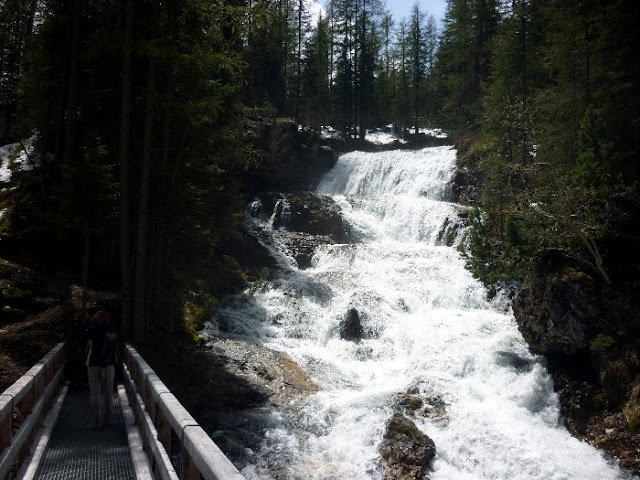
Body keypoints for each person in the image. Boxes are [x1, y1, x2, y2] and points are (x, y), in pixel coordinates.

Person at [84, 309, 117, 429]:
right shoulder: (113, 329)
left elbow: (84, 336)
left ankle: (96, 421)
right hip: (109, 365)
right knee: (108, 393)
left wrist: (92, 322)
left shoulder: (94, 329)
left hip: (94, 364)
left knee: (95, 394)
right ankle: (107, 419)